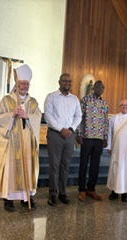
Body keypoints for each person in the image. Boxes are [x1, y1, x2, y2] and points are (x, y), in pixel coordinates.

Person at [0, 64, 42, 212]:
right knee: (11, 170)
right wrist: (12, 114)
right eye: (22, 83)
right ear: (17, 84)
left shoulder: (33, 102)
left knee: (28, 168)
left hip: (27, 143)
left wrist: (27, 116)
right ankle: (8, 200)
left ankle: (27, 197)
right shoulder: (7, 100)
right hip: (12, 144)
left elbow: (38, 117)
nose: (24, 86)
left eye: (27, 84)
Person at [44, 73, 82, 206]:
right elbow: (48, 115)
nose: (67, 83)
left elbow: (79, 116)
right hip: (56, 134)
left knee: (65, 165)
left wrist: (71, 129)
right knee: (54, 165)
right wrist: (61, 129)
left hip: (69, 136)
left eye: (70, 81)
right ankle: (53, 193)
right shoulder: (51, 97)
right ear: (59, 82)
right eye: (65, 81)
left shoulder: (75, 99)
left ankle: (62, 193)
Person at [76, 80, 109, 202]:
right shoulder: (85, 101)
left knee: (95, 164)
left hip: (99, 139)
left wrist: (105, 137)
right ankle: (82, 190)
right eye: (98, 87)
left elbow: (106, 122)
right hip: (87, 137)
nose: (100, 89)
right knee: (83, 164)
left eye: (102, 87)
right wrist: (78, 133)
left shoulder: (105, 104)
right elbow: (80, 118)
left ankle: (91, 188)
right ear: (93, 88)